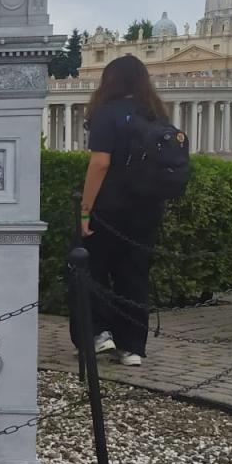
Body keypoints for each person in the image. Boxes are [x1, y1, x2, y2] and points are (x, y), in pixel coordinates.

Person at [78, 53, 171, 367]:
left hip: (110, 207)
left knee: (90, 269)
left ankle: (98, 333)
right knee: (134, 275)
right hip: (147, 208)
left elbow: (100, 163)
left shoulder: (107, 113)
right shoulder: (156, 114)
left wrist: (85, 210)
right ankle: (132, 347)